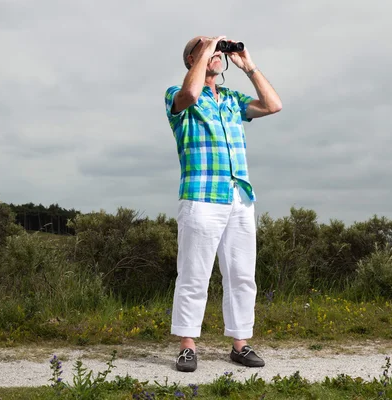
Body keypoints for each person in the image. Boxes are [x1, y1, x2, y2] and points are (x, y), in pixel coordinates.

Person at [164, 35, 282, 372]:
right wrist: (206, 48)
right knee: (193, 274)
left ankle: (240, 343)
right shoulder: (178, 95)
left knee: (242, 275)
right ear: (192, 60)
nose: (217, 53)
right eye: (207, 51)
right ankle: (188, 346)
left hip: (239, 196)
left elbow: (273, 105)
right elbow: (189, 94)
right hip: (201, 195)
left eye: (219, 52)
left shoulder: (231, 99)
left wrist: (249, 65)